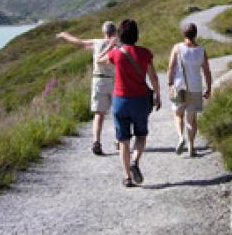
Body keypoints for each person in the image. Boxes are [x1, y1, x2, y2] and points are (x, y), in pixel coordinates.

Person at [98, 19, 161, 187]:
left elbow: (99, 60)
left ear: (120, 35)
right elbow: (153, 77)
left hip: (120, 101)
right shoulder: (145, 53)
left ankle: (127, 177)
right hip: (140, 100)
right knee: (141, 135)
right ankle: (135, 161)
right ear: (137, 35)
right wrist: (158, 95)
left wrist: (112, 45)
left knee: (123, 140)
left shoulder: (116, 53)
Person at [56, 21, 118, 155]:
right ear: (115, 32)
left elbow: (79, 42)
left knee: (99, 114)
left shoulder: (97, 42)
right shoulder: (119, 44)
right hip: (115, 81)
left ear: (104, 32)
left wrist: (64, 35)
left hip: (99, 80)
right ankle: (119, 139)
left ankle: (97, 142)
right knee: (117, 113)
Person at [167, 23, 212, 158]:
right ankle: (191, 147)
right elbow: (207, 71)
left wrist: (169, 83)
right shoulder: (201, 50)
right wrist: (209, 87)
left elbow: (171, 67)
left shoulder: (177, 48)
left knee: (178, 114)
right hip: (196, 88)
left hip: (179, 86)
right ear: (195, 34)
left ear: (184, 34)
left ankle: (181, 137)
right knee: (192, 120)